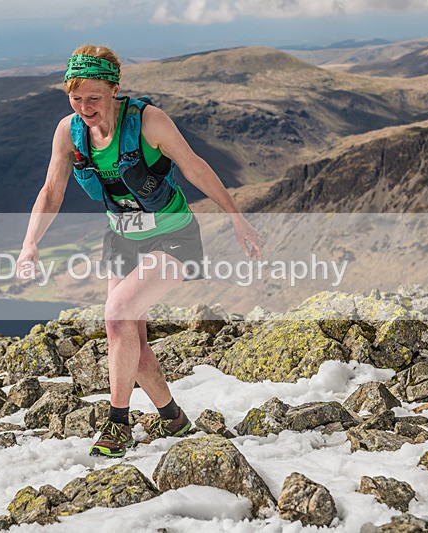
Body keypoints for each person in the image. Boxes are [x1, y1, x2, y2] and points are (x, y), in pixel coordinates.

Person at [16, 44, 261, 458]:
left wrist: (237, 219)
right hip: (121, 238)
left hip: (173, 236)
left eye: (94, 97)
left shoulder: (149, 121)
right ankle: (173, 418)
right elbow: (51, 191)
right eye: (76, 98)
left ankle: (118, 423)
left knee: (116, 313)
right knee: (128, 335)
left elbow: (195, 167)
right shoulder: (68, 132)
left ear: (115, 89)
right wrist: (30, 243)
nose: (85, 108)